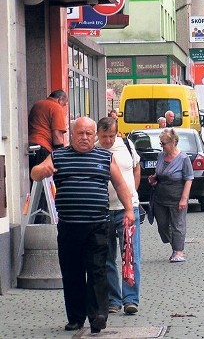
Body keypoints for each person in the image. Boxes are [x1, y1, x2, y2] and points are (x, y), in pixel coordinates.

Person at [30, 117, 134, 334]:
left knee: (97, 271)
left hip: (97, 226)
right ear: (72, 134)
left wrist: (129, 210)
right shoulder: (58, 156)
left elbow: (120, 184)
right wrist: (42, 171)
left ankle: (98, 316)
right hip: (69, 226)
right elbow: (36, 172)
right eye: (80, 133)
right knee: (72, 272)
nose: (85, 137)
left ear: (94, 135)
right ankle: (75, 318)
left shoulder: (106, 157)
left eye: (89, 133)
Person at [95, 117, 142, 316]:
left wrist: (132, 194)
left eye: (111, 136)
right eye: (104, 136)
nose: (108, 140)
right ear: (97, 133)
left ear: (117, 133)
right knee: (107, 258)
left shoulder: (126, 145)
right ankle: (113, 300)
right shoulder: (93, 150)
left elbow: (136, 168)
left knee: (130, 256)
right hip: (102, 210)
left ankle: (130, 299)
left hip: (127, 210)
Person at [148, 128, 193, 263]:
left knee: (177, 224)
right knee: (162, 225)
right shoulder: (161, 156)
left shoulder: (183, 158)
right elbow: (161, 173)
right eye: (160, 143)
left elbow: (189, 179)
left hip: (177, 196)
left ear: (173, 142)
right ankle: (175, 246)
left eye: (164, 143)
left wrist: (184, 199)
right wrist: (154, 179)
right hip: (160, 196)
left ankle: (179, 251)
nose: (161, 146)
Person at [28, 90, 68, 175]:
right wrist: (60, 154)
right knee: (43, 182)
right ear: (60, 100)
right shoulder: (56, 107)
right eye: (64, 104)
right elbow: (57, 135)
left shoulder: (37, 104)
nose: (63, 107)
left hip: (30, 147)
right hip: (43, 148)